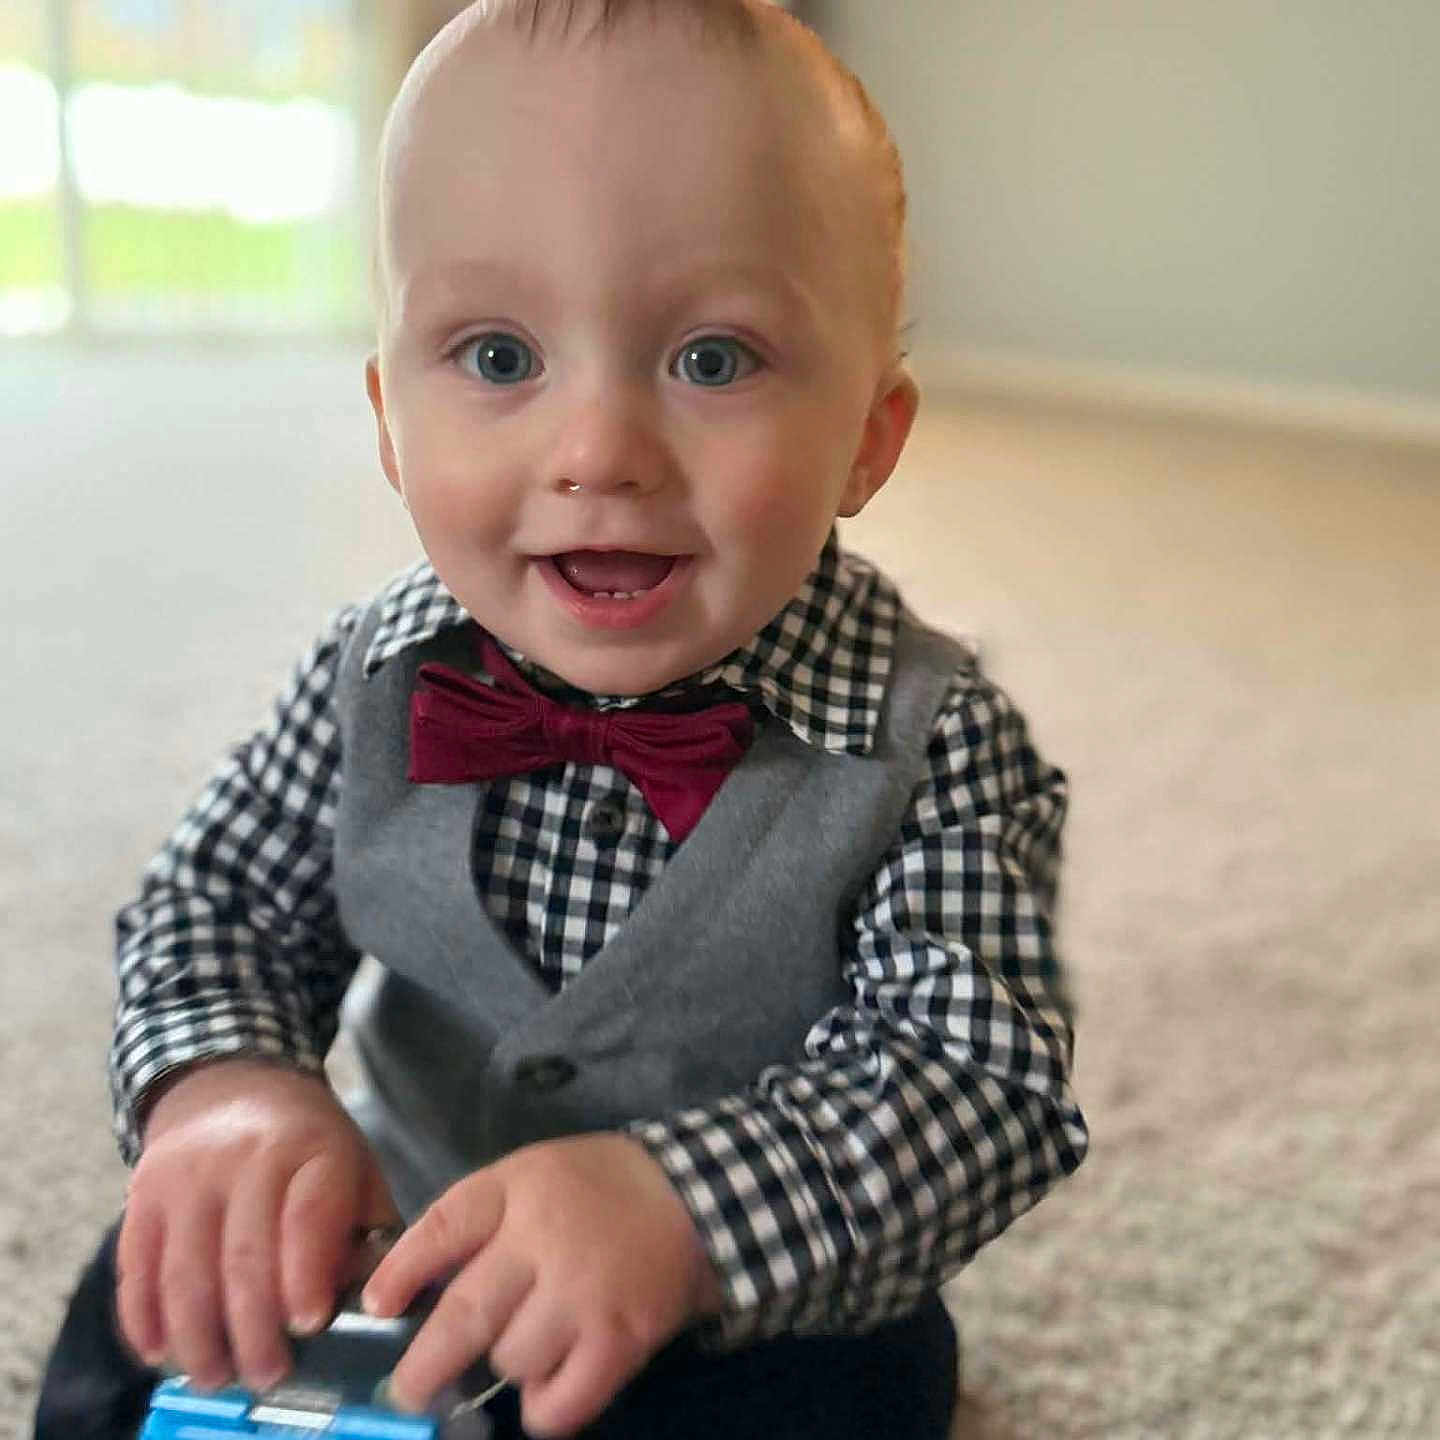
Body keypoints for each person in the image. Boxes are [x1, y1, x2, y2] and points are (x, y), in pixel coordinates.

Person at [34, 2, 1088, 1437]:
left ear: (867, 438)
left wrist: (684, 1213)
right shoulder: (376, 675)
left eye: (713, 360)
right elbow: (215, 900)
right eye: (498, 357)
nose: (598, 454)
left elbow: (979, 1078)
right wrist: (227, 1087)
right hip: (405, 1238)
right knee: (148, 1314)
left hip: (747, 1298)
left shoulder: (937, 748)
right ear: (390, 420)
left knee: (855, 1397)